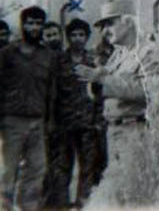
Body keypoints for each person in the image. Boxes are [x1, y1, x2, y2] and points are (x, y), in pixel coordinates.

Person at [74, 0, 157, 178]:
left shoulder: (148, 52)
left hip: (135, 130)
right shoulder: (118, 55)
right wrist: (95, 81)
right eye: (102, 26)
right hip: (114, 130)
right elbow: (103, 88)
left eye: (110, 24)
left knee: (132, 185)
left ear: (128, 22)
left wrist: (103, 79)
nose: (104, 31)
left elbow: (149, 90)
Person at [0, 6, 59, 211]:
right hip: (11, 121)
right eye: (30, 23)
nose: (34, 27)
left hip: (37, 121)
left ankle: (28, 207)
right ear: (22, 25)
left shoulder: (48, 56)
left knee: (36, 169)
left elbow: (52, 91)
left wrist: (50, 120)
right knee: (7, 171)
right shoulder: (7, 54)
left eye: (38, 23)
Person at [54, 18, 104, 208]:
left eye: (81, 35)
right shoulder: (59, 61)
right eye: (73, 35)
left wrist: (98, 119)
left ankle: (84, 204)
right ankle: (61, 205)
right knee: (63, 167)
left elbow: (100, 92)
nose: (77, 38)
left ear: (87, 37)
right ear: (68, 37)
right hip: (64, 123)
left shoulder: (94, 60)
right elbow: (53, 92)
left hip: (88, 122)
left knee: (88, 166)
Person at [40, 21, 65, 209]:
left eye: (55, 34)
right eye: (48, 35)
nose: (52, 39)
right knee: (45, 163)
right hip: (46, 118)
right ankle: (46, 203)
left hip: (68, 117)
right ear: (43, 38)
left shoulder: (67, 58)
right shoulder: (40, 60)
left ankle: (60, 202)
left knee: (63, 163)